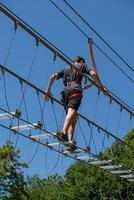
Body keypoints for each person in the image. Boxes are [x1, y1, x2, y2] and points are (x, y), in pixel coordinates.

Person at [45, 56, 108, 150]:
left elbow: (53, 76)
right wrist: (102, 88)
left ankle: (70, 141)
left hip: (65, 93)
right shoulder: (82, 65)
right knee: (72, 111)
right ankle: (63, 132)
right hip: (75, 90)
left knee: (73, 118)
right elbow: (94, 74)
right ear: (81, 61)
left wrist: (48, 90)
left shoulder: (66, 68)